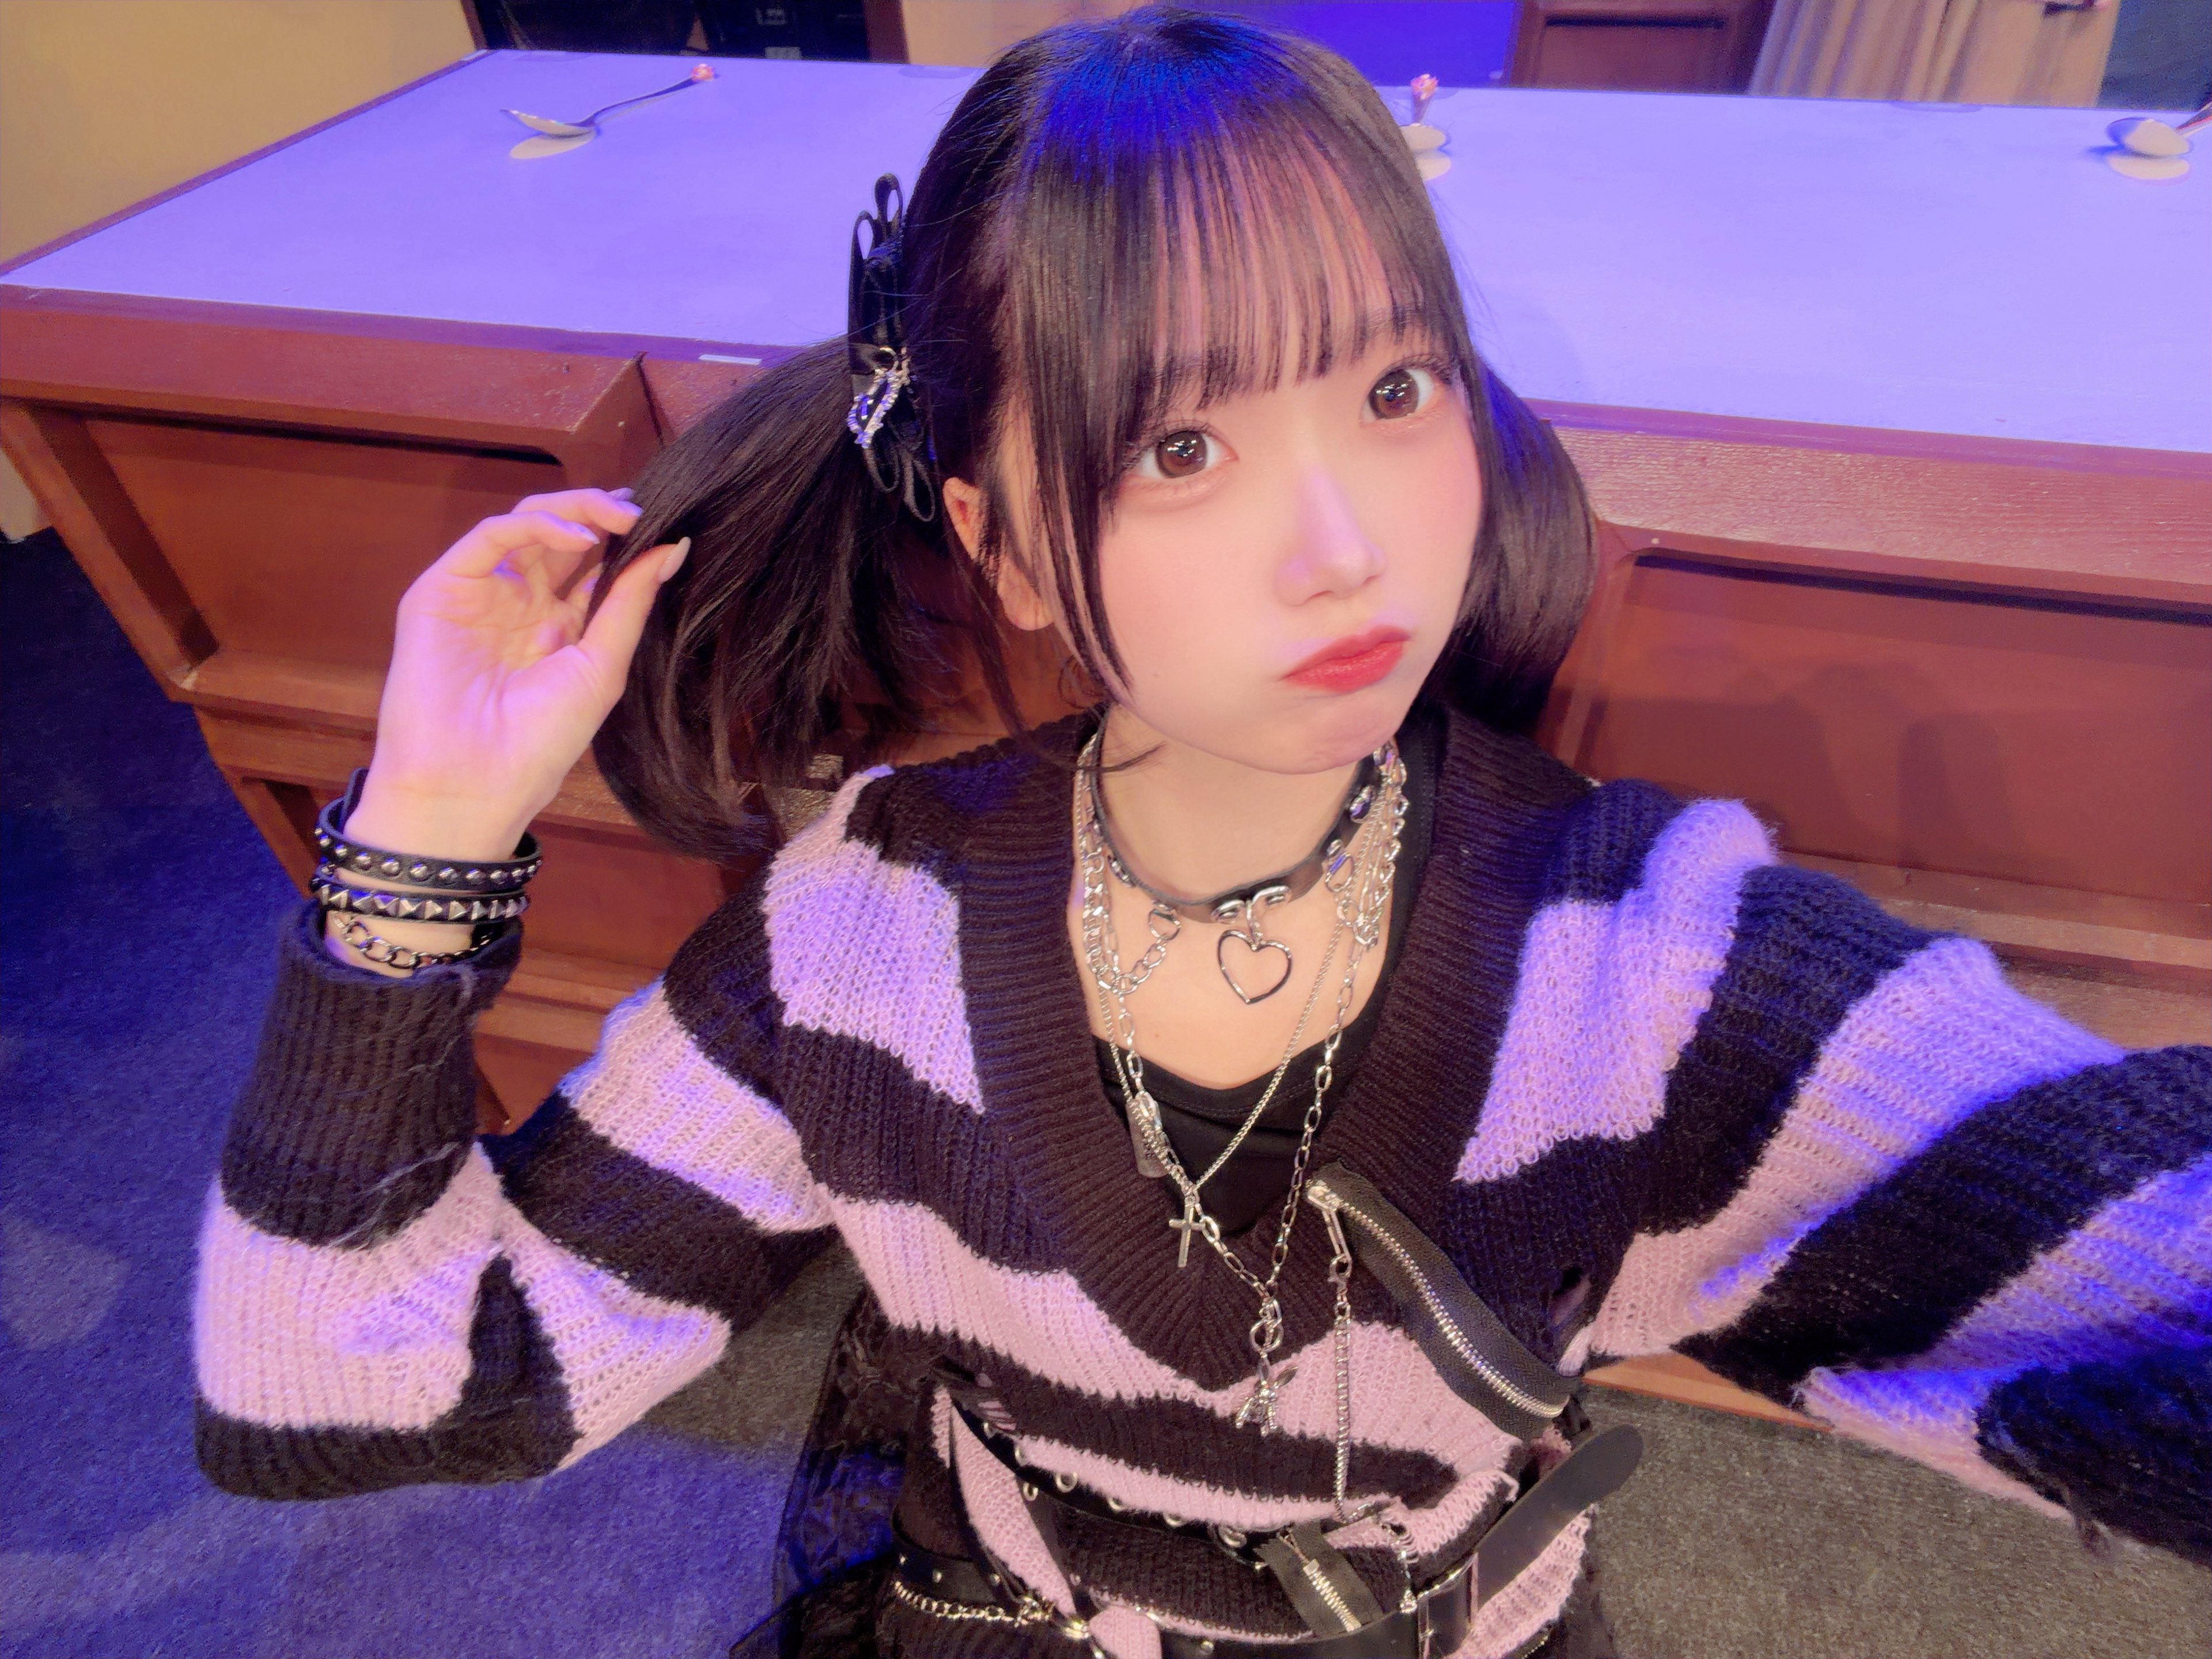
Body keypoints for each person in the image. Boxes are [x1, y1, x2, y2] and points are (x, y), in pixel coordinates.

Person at [191, 5, 2210, 1656]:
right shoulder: (860, 937)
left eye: (1395, 391)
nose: (1347, 547)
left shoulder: (1650, 966)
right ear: (999, 543)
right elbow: (342, 1377)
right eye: (1183, 445)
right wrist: (426, 831)